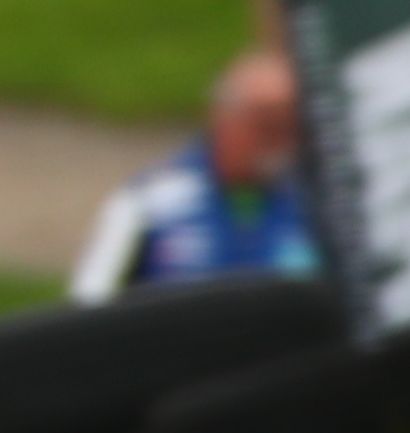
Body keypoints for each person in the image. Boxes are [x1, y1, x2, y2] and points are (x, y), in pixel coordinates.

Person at [71, 51, 327, 302]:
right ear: (225, 117)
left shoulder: (319, 203)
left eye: (290, 127)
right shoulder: (152, 200)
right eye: (266, 126)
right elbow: (90, 298)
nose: (279, 142)